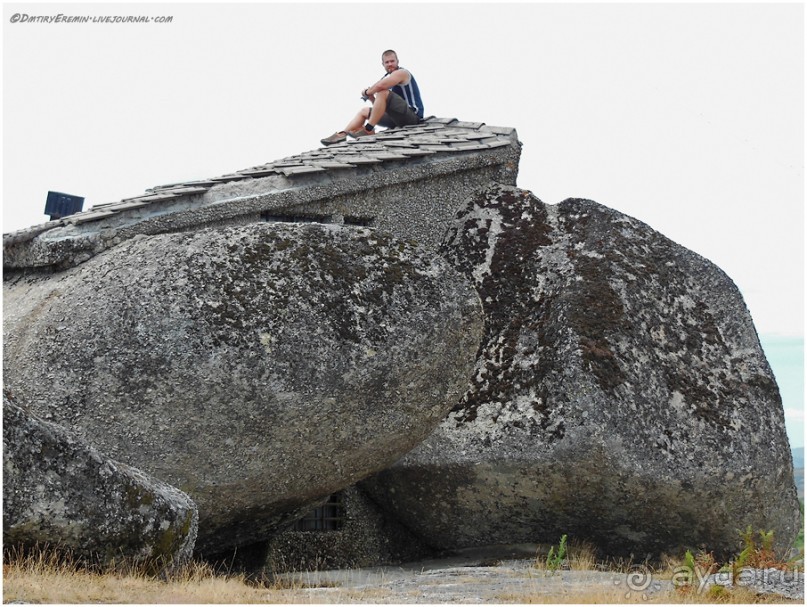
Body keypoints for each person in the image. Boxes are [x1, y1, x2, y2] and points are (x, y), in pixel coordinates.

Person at [321, 49, 424, 146]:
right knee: (364, 111)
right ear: (383, 64)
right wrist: (370, 97)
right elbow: (380, 108)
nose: (390, 64)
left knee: (382, 91)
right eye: (387, 62)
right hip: (396, 118)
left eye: (392, 61)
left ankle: (368, 130)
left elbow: (380, 87)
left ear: (397, 61)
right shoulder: (386, 78)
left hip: (412, 117)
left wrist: (367, 91)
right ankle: (342, 135)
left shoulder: (402, 73)